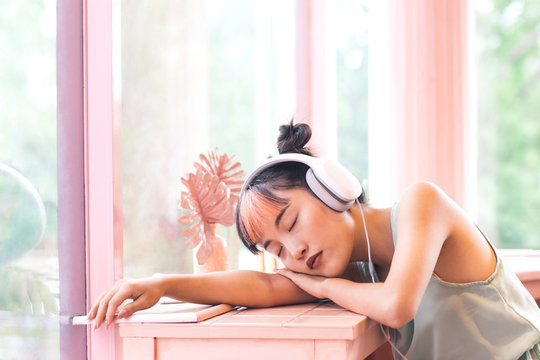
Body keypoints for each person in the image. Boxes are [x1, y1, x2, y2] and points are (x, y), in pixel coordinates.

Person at [89, 122, 540, 359]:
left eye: (292, 221)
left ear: (332, 188)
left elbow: (397, 306)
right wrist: (163, 284)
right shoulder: (353, 271)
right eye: (278, 250)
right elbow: (266, 288)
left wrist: (322, 287)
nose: (295, 252)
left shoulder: (422, 204)